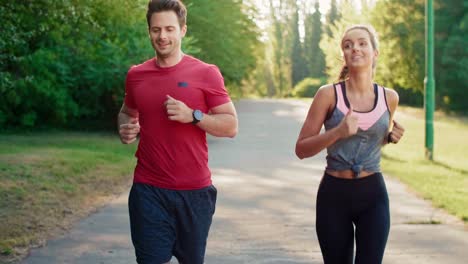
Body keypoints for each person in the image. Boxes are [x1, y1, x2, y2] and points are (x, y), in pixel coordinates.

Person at [117, 0, 238, 263]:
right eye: (156, 30)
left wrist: (192, 116)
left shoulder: (206, 73)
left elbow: (230, 126)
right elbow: (127, 111)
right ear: (149, 31)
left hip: (195, 193)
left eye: (169, 29)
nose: (162, 36)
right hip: (148, 190)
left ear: (182, 30)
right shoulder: (136, 75)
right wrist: (125, 128)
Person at [295, 24, 405, 264]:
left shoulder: (389, 98)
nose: (355, 48)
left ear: (375, 53)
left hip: (373, 194)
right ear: (343, 54)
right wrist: (338, 132)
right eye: (348, 45)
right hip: (334, 194)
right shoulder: (328, 95)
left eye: (362, 43)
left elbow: (369, 142)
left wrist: (389, 138)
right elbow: (301, 148)